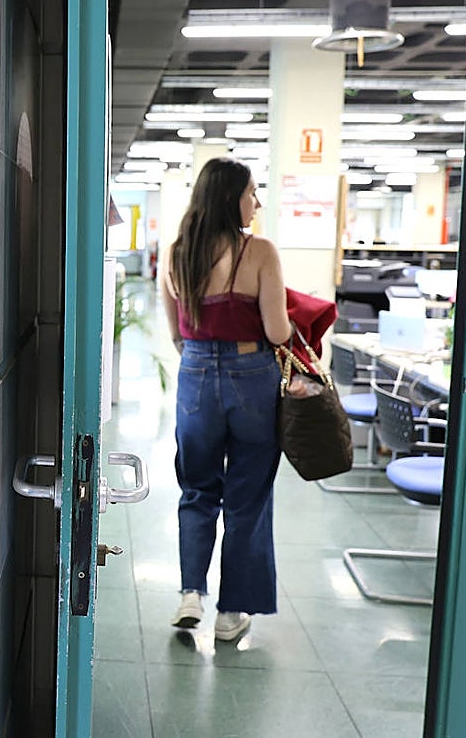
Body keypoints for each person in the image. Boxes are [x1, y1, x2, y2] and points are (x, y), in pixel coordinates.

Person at [160, 157, 292, 642]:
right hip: (251, 377)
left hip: (194, 373)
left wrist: (202, 357)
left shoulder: (176, 253)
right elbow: (277, 331)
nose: (257, 202)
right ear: (230, 196)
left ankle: (190, 593)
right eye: (252, 192)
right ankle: (230, 612)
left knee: (196, 489)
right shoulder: (259, 251)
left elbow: (174, 328)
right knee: (247, 497)